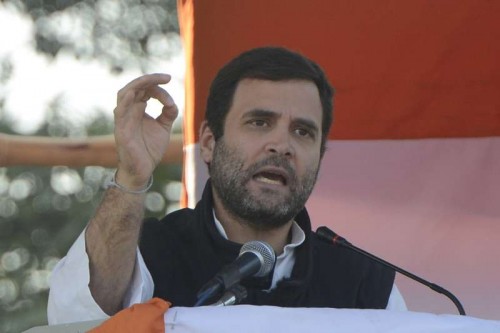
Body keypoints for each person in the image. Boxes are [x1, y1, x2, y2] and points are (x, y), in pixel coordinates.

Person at [48, 47, 406, 324]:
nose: (281, 145)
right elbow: (76, 321)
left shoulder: (365, 285)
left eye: (302, 132)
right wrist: (132, 177)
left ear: (319, 157)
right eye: (260, 122)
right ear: (208, 142)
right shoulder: (150, 251)